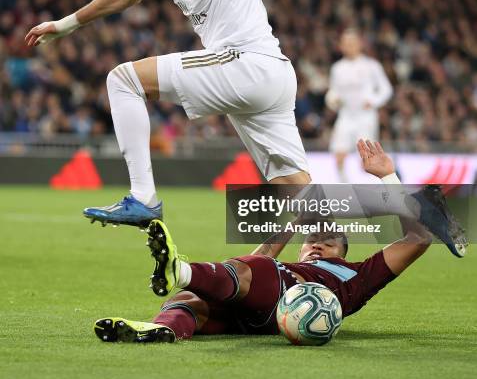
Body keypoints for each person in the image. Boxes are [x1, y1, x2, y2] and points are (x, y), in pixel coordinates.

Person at [25, 0, 390, 227]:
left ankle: (143, 198)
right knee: (298, 194)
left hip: (247, 63)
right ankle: (408, 215)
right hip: (270, 78)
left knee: (123, 80)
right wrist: (65, 24)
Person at [93, 140, 467, 344]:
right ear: (301, 247)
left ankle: (181, 269)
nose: (318, 242)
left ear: (344, 250)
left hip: (284, 296)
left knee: (255, 268)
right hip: (258, 314)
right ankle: (164, 329)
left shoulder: (356, 277)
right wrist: (293, 219)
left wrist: (389, 178)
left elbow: (417, 238)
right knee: (192, 301)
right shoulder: (286, 260)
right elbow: (263, 252)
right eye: (312, 238)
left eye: (330, 240)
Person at [326, 29, 393, 182]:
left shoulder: (371, 65)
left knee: (366, 158)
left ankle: (371, 189)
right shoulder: (337, 68)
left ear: (359, 44)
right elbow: (333, 92)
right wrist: (332, 101)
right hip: (346, 116)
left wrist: (374, 101)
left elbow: (386, 89)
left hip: (365, 117)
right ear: (341, 46)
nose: (348, 46)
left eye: (352, 43)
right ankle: (343, 186)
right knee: (339, 153)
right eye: (345, 43)